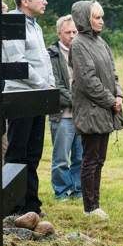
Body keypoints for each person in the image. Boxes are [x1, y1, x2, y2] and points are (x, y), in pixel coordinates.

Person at [2, 0, 54, 215]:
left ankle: (31, 204)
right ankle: (14, 205)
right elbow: (17, 63)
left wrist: (50, 83)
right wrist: (44, 86)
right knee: (17, 152)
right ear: (25, 1)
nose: (45, 2)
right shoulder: (12, 23)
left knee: (33, 153)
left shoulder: (36, 26)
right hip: (20, 96)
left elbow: (43, 59)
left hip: (38, 96)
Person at [69, 0, 123, 218]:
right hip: (92, 111)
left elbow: (113, 73)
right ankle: (89, 208)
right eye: (97, 17)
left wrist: (119, 94)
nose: (101, 21)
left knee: (99, 160)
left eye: (101, 17)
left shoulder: (101, 42)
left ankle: (96, 205)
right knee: (90, 161)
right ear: (85, 20)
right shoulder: (79, 44)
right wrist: (111, 100)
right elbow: (87, 81)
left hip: (105, 110)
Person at [47, 14, 82, 201]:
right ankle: (61, 193)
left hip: (82, 117)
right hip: (62, 115)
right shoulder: (51, 54)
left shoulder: (83, 52)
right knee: (61, 159)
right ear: (59, 33)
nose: (72, 36)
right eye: (68, 32)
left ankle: (79, 191)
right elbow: (56, 87)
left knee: (80, 158)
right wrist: (79, 103)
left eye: (75, 32)